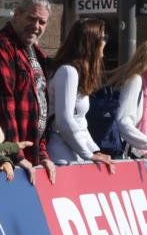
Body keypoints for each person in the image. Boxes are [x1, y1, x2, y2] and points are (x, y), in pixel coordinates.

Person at [0, 0, 58, 184]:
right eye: (31, 18)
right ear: (17, 14)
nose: (36, 26)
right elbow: (2, 107)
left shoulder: (37, 53)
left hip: (27, 159)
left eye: (41, 22)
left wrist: (42, 153)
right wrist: (16, 154)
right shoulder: (0, 47)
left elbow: (41, 107)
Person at [47, 18, 115, 172]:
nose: (105, 42)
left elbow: (80, 123)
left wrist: (94, 151)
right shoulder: (68, 72)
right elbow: (63, 120)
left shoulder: (76, 73)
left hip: (72, 155)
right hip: (61, 158)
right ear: (91, 41)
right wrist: (89, 154)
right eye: (103, 38)